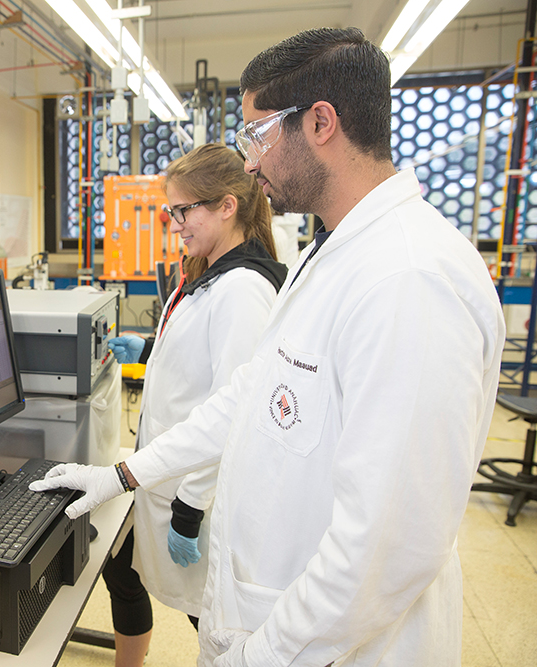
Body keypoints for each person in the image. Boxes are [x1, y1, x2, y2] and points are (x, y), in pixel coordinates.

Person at [32, 27, 506, 666]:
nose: (250, 162)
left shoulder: (408, 277)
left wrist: (264, 657)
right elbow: (248, 396)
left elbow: (388, 545)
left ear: (319, 123)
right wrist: (123, 473)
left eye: (257, 135)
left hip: (329, 648)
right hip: (275, 620)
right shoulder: (330, 253)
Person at [103, 144, 287, 667]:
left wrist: (190, 506)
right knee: (123, 569)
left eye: (185, 210)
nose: (176, 223)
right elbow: (202, 361)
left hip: (194, 491)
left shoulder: (243, 289)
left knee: (212, 617)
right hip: (163, 477)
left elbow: (234, 408)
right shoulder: (207, 272)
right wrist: (150, 349)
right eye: (172, 211)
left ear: (227, 206)